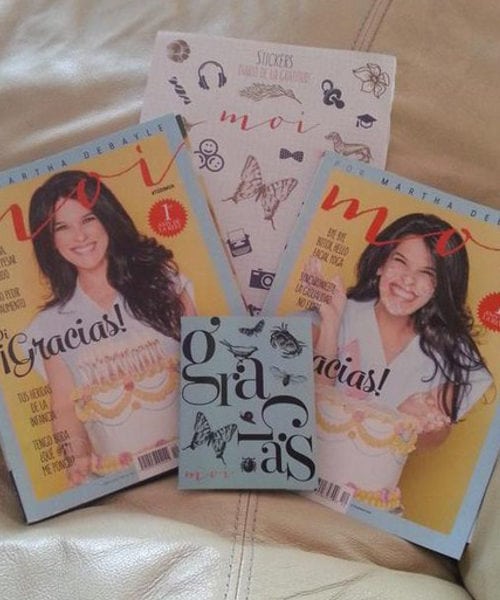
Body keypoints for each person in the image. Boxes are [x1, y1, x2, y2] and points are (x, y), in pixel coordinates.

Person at [310, 213, 493, 509]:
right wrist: (330, 327)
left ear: (440, 286)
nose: (408, 280)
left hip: (371, 509)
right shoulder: (335, 310)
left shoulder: (454, 355)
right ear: (381, 263)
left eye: (427, 273)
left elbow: (431, 440)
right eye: (400, 261)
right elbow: (299, 401)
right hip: (301, 489)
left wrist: (419, 421)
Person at [26, 170, 196, 486]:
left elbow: (206, 362)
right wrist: (77, 456)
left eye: (88, 219)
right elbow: (64, 406)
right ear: (49, 241)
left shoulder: (166, 282)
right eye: (62, 227)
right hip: (122, 481)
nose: (79, 236)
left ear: (107, 218)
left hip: (195, 460)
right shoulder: (49, 325)